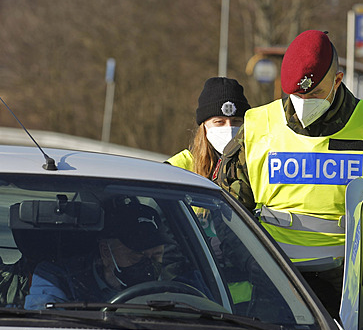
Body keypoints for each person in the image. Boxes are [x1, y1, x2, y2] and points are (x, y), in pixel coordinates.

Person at [217, 30, 363, 318]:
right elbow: (229, 209)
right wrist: (252, 264)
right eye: (297, 94)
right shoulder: (257, 126)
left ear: (338, 81)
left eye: (315, 92)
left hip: (351, 290)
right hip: (272, 281)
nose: (305, 101)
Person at [24, 199, 171, 309]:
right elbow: (45, 324)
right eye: (137, 256)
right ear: (106, 252)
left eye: (157, 256)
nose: (149, 264)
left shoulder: (173, 282)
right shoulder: (58, 277)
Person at [167, 77, 251, 181]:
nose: (229, 128)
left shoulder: (254, 162)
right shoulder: (177, 168)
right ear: (204, 126)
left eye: (236, 121)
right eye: (219, 122)